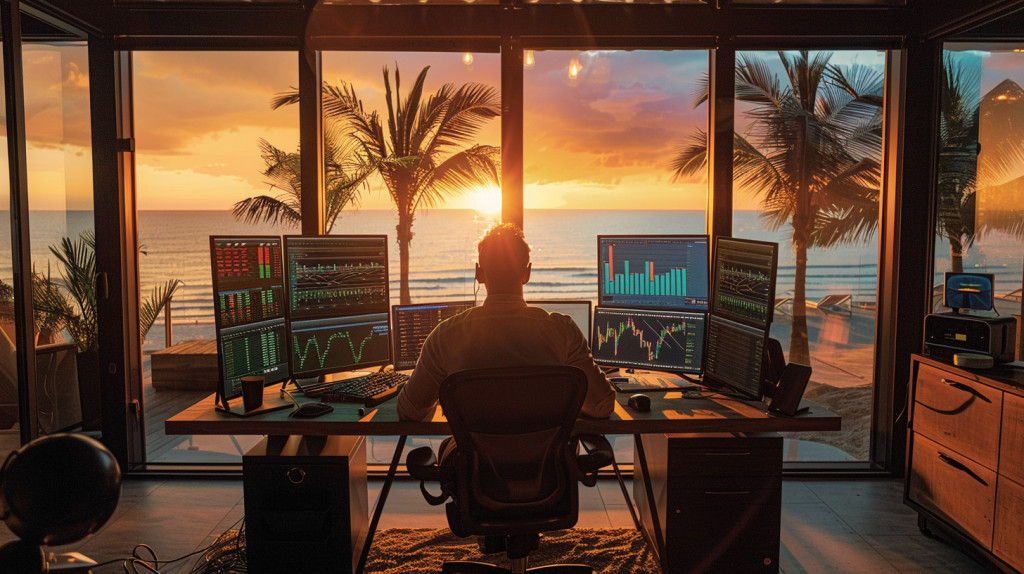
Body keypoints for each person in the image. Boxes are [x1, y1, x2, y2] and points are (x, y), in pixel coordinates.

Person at [396, 223, 615, 421]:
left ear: (479, 274)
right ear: (527, 273)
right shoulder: (563, 331)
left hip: (474, 464)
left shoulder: (444, 336)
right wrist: (564, 407)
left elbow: (410, 411)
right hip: (548, 462)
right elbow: (602, 405)